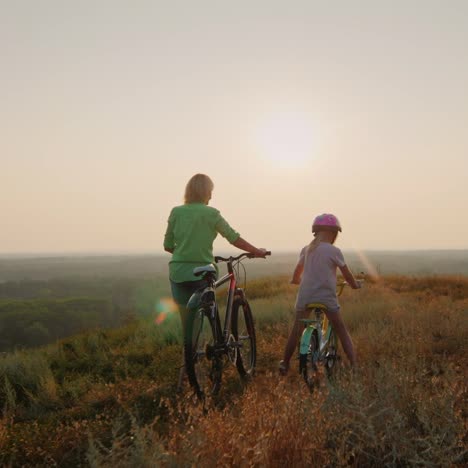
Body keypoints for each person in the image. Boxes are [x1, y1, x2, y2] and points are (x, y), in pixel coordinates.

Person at [163, 174, 268, 388]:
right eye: (210, 191)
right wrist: (256, 251)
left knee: (188, 326)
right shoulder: (211, 214)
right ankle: (215, 359)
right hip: (203, 271)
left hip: (178, 272)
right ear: (205, 192)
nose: (212, 195)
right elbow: (232, 236)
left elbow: (167, 245)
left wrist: (184, 253)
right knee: (208, 313)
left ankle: (185, 376)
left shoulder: (176, 212)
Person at [279, 213, 361, 375]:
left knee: (296, 330)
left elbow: (297, 273)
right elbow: (347, 274)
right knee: (341, 329)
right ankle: (354, 365)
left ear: (316, 232)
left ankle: (285, 363)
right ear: (333, 233)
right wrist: (354, 285)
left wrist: (296, 280)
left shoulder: (306, 250)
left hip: (305, 296)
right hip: (326, 297)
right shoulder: (334, 251)